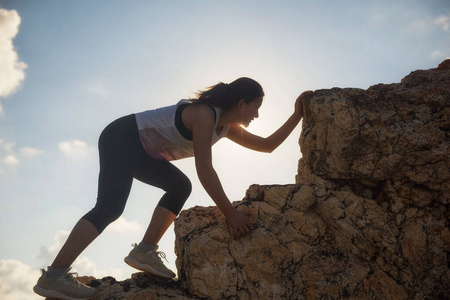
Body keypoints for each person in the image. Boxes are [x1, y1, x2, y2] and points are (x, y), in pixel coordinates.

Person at [33, 77, 311, 299]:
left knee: (179, 186)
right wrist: (230, 213)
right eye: (256, 107)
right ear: (241, 103)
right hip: (121, 137)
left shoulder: (226, 128)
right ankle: (54, 277)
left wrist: (297, 115)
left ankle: (144, 251)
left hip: (142, 152)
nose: (258, 114)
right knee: (109, 208)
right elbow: (205, 169)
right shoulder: (204, 114)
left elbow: (267, 146)